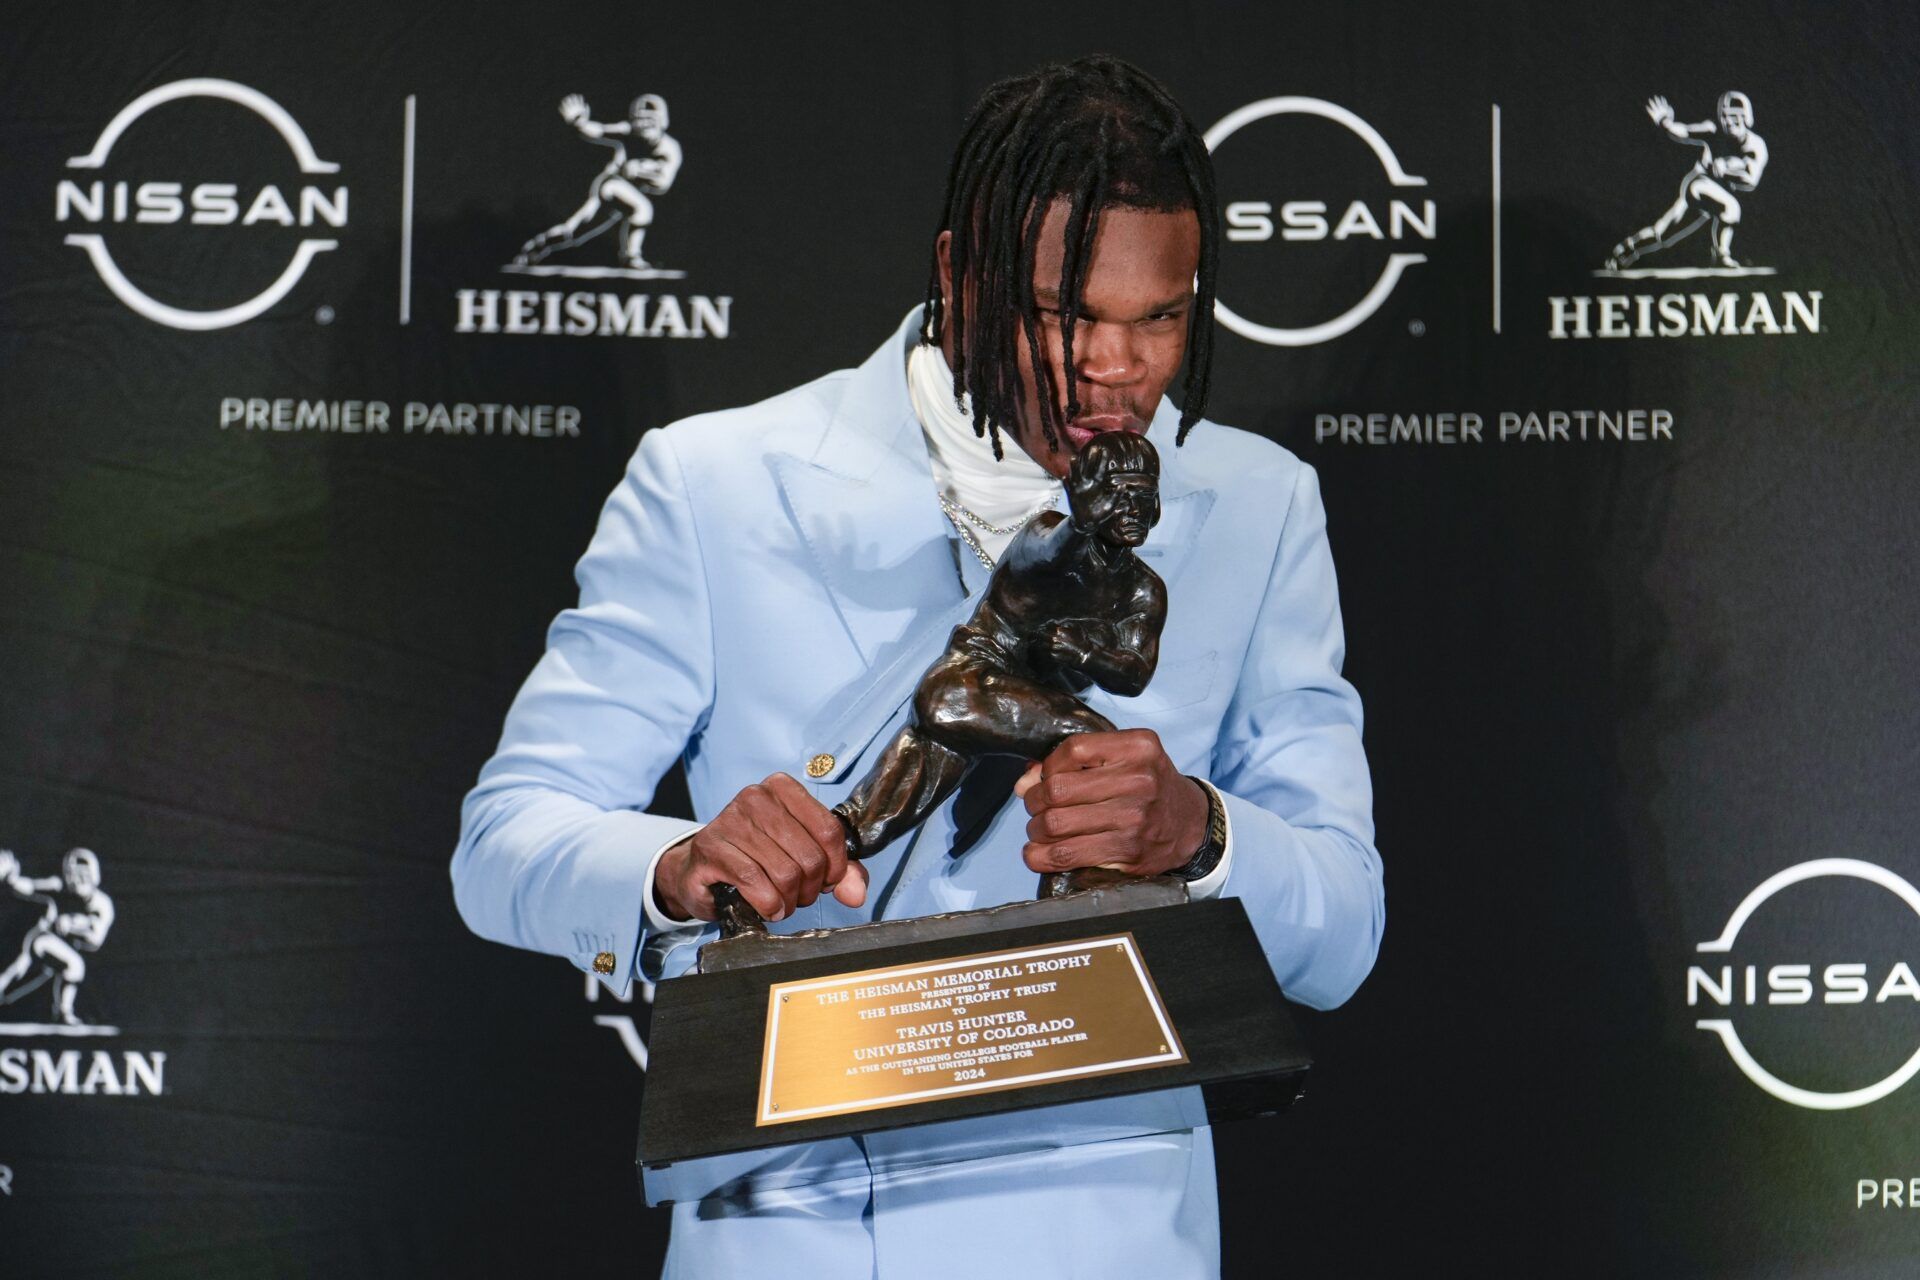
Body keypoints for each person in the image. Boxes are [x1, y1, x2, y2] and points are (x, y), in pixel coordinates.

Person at [454, 55, 1383, 1278]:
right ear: (958, 274)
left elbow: (1343, 926)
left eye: (1160, 317)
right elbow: (504, 840)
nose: (1121, 368)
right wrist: (679, 864)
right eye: (1067, 315)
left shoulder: (1258, 506)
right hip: (800, 1229)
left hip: (1109, 1236)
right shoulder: (717, 482)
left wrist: (1198, 832)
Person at [513, 93, 682, 271]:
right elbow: (600, 130)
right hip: (611, 186)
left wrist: (643, 171)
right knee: (643, 209)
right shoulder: (629, 131)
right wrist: (579, 122)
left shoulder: (670, 149)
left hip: (624, 198)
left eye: (649, 119)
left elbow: (663, 183)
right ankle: (631, 256)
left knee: (574, 233)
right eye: (640, 119)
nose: (644, 124)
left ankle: (538, 245)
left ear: (662, 120)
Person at [1605, 91, 1769, 271]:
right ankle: (1722, 254)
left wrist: (1727, 170)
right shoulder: (1713, 129)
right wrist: (1664, 122)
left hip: (1715, 195)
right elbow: (1684, 130)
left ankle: (1625, 250)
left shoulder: (1756, 146)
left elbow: (1751, 181)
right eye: (1725, 116)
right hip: (1699, 185)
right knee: (1731, 207)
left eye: (1735, 116)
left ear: (1746, 116)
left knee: (1662, 236)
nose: (1729, 121)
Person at [0, 848, 114, 1027]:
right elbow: (29, 886)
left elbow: (95, 940)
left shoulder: (102, 904)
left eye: (83, 873)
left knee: (19, 979)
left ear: (94, 875)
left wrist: (76, 924)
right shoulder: (59, 887)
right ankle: (63, 1012)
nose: (76, 879)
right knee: (74, 965)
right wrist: (11, 878)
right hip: (42, 940)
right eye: (72, 873)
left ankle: (62, 1012)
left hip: (53, 949)